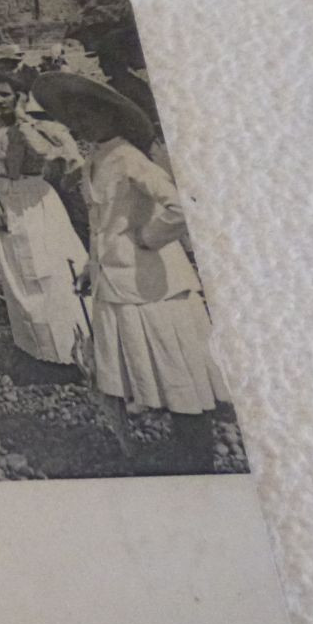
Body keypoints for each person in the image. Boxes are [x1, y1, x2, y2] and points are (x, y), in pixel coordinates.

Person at [33, 72, 229, 472]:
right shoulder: (97, 157)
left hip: (153, 282)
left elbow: (178, 205)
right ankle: (183, 447)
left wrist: (149, 237)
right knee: (154, 364)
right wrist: (93, 264)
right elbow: (103, 222)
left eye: (89, 114)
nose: (81, 122)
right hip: (119, 280)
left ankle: (199, 454)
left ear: (112, 116)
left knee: (175, 361)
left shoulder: (128, 157)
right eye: (74, 115)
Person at [0, 72, 91, 366]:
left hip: (35, 198)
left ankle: (74, 347)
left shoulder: (42, 126)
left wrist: (23, 120)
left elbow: (55, 158)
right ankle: (38, 348)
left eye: (4, 94)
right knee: (18, 274)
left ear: (20, 95)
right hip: (4, 199)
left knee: (52, 270)